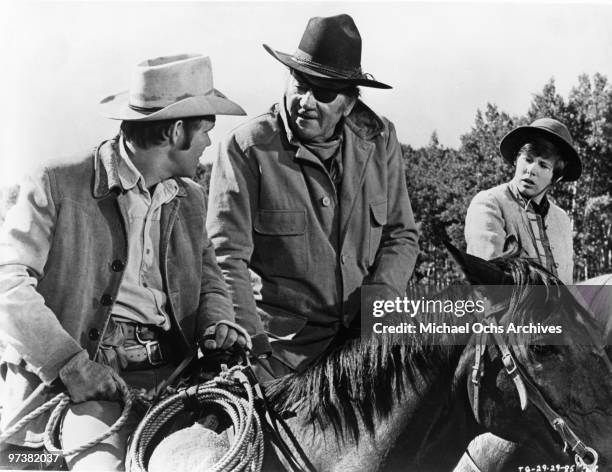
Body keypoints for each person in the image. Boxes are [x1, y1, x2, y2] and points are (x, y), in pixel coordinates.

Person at [0, 54, 250, 470]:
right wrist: (71, 365)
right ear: (175, 131)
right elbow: (7, 282)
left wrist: (217, 323)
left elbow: (209, 282)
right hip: (81, 391)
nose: (208, 144)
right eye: (205, 130)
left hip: (175, 379)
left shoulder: (190, 200)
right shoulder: (57, 182)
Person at [206, 14, 419, 379]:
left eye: (323, 93)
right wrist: (253, 349)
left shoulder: (380, 139)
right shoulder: (246, 149)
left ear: (349, 104)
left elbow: (401, 235)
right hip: (279, 356)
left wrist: (380, 303)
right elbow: (226, 258)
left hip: (362, 349)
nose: (306, 101)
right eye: (300, 84)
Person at [465, 117, 582, 284]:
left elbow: (567, 284)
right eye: (528, 159)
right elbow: (488, 281)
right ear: (516, 159)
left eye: (543, 165)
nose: (531, 170)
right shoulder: (490, 203)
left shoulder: (561, 219)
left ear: (555, 178)